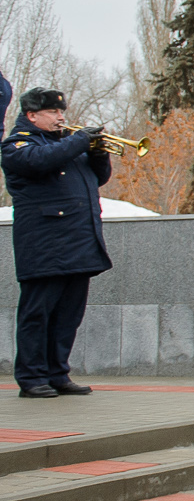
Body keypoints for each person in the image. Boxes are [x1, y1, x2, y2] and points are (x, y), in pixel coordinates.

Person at [6, 87, 112, 398]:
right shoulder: (18, 145)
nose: (61, 117)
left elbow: (97, 178)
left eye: (61, 111)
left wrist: (97, 153)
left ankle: (57, 373)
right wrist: (79, 141)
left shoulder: (68, 145)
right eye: (53, 112)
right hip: (45, 246)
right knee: (37, 315)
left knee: (68, 316)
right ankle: (32, 377)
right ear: (32, 115)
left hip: (79, 243)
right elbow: (40, 162)